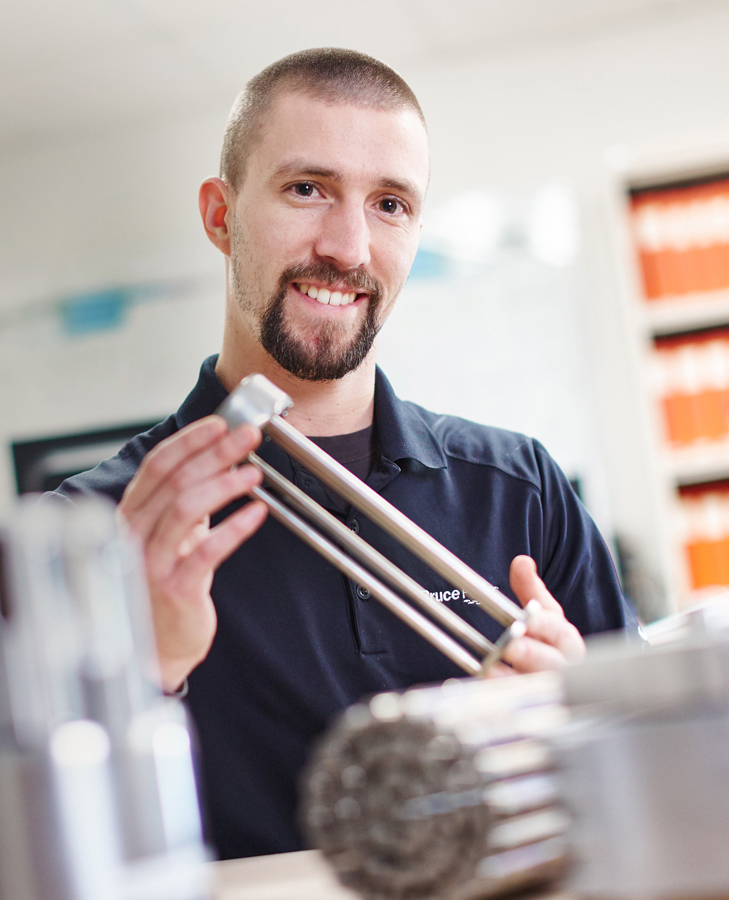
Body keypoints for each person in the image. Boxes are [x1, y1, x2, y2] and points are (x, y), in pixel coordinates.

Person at [55, 48, 634, 860]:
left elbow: (655, 786)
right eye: (307, 189)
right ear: (221, 215)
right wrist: (145, 677)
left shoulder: (520, 490)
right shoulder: (81, 535)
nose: (349, 246)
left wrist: (584, 717)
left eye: (390, 204)